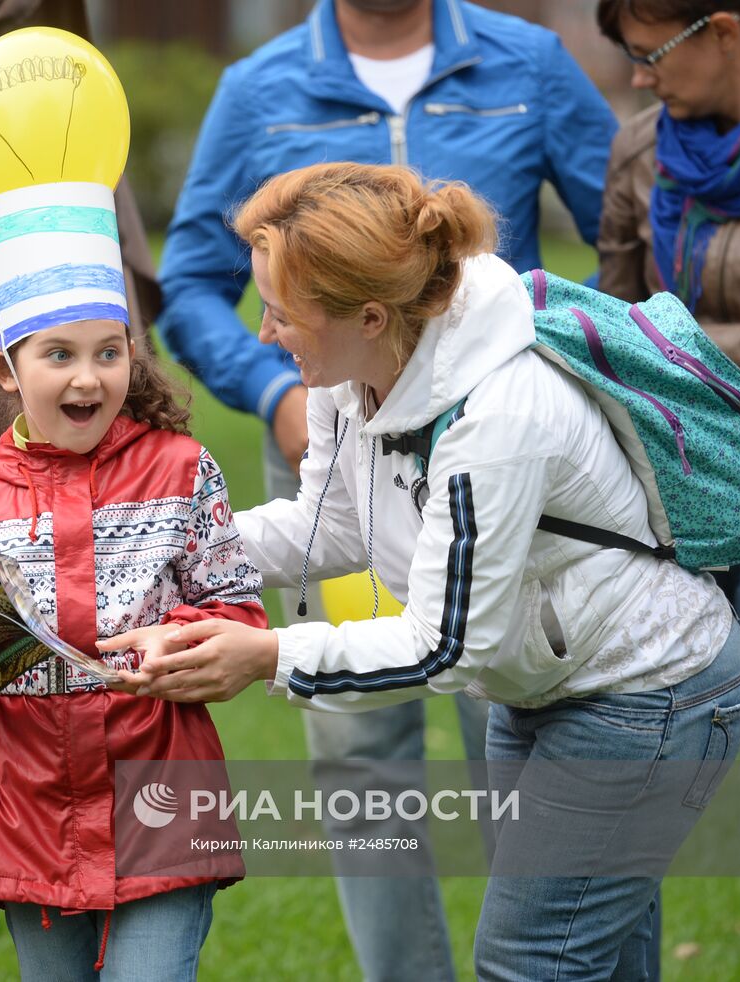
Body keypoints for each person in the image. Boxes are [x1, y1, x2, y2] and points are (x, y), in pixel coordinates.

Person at [108, 161, 740, 980]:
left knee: (530, 960)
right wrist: (165, 549)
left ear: (370, 316)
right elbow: (329, 523)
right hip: (550, 681)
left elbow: (448, 646)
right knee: (593, 959)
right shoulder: (351, 377)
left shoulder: (498, 414)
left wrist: (270, 656)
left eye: (279, 314)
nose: (264, 334)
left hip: (649, 691)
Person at [156, 2, 617, 974]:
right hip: (335, 415)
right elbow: (191, 282)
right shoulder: (256, 88)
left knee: (508, 727)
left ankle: (538, 941)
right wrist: (276, 391)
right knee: (361, 759)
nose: (267, 321)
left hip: (498, 469)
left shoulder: (528, 60)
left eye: (276, 315)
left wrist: (576, 392)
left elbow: (620, 235)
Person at [0, 140, 265, 974]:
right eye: (58, 355)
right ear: (5, 368)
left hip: (160, 793)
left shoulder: (181, 470)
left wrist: (175, 643)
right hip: (26, 807)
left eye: (109, 351)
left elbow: (235, 607)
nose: (89, 377)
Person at [594, 2, 740, 978]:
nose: (639, 79)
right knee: (622, 778)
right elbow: (608, 322)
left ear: (721, 29)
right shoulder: (639, 153)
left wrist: (668, 347)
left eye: (649, 55)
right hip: (664, 504)